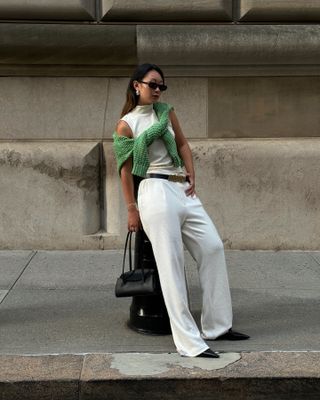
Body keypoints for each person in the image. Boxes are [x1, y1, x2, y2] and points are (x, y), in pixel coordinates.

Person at [113, 63, 249, 358]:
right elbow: (124, 171)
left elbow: (184, 144)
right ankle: (189, 342)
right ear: (136, 85)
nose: (158, 90)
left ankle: (217, 326)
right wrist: (131, 209)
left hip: (182, 189)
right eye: (153, 84)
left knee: (212, 247)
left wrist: (191, 172)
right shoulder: (126, 124)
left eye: (162, 85)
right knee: (171, 266)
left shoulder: (166, 112)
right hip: (155, 190)